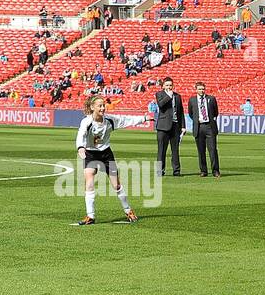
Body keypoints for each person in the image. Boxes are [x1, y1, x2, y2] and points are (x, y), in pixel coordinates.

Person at [74, 94, 145, 225]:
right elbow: (81, 133)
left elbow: (126, 120)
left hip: (106, 154)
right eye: (99, 106)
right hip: (91, 153)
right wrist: (80, 147)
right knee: (89, 181)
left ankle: (128, 210)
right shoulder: (87, 122)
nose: (102, 108)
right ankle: (90, 215)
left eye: (103, 105)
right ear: (92, 107)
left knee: (116, 185)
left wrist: (144, 118)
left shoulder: (110, 120)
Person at [189, 81, 221, 177]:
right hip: (199, 127)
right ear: (196, 90)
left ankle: (215, 170)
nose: (201, 91)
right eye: (199, 89)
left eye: (203, 89)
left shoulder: (211, 98)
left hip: (209, 127)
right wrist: (197, 120)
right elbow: (191, 113)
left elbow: (216, 112)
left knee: (212, 150)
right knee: (201, 150)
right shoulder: (192, 100)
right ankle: (203, 170)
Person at [154, 77, 184, 176]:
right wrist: (169, 96)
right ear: (163, 86)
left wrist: (182, 126)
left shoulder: (177, 96)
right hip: (163, 127)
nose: (169, 87)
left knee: (175, 150)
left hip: (175, 126)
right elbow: (161, 105)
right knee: (161, 150)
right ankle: (160, 170)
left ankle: (176, 170)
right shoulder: (159, 94)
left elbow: (181, 112)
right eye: (167, 85)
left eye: (170, 85)